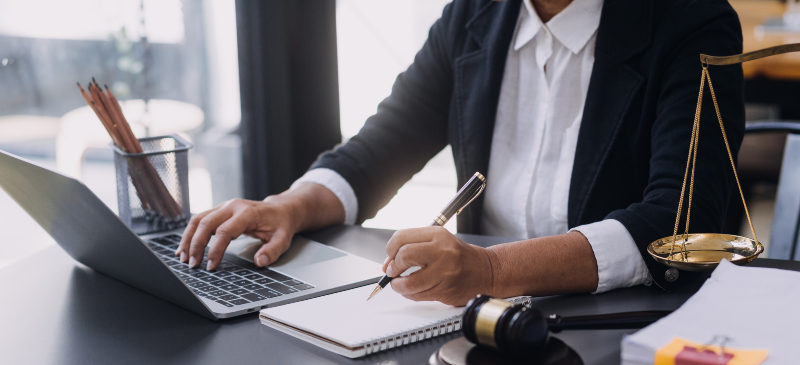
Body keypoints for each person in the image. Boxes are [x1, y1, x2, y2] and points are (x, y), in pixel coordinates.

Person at [176, 0, 744, 306]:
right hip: (480, 321)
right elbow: (377, 150)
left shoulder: (692, 22)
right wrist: (292, 207)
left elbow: (683, 221)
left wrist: (492, 269)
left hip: (615, 318)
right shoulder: (474, 15)